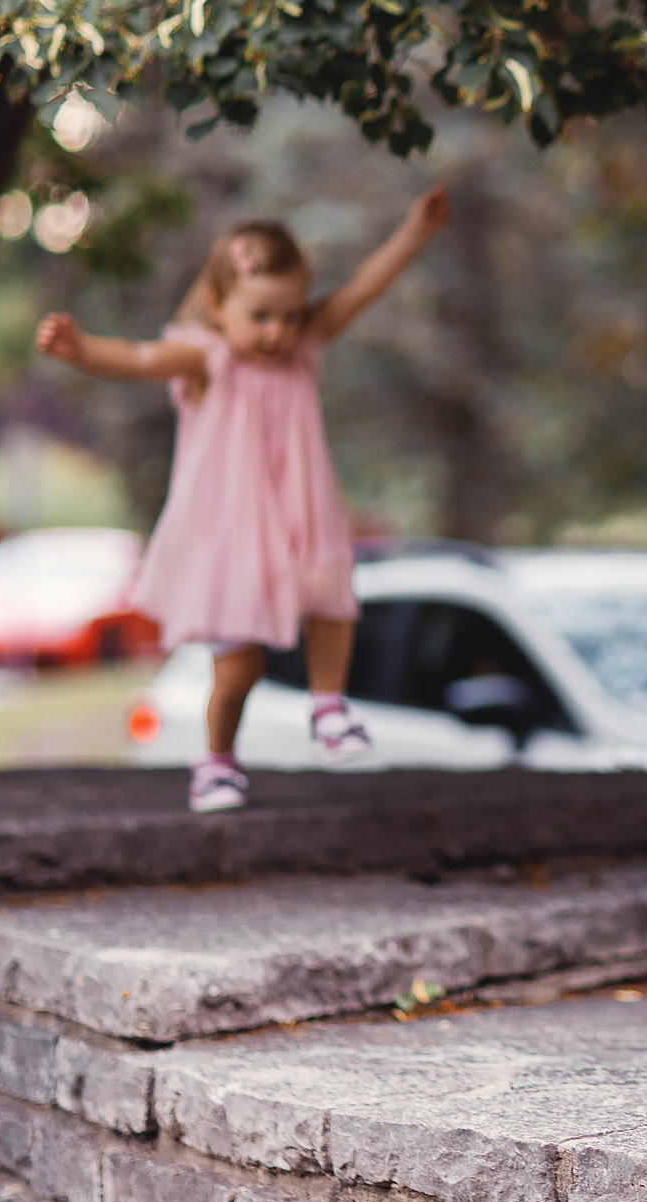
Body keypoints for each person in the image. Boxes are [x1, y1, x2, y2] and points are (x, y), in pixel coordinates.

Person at [36, 187, 452, 811]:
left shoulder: (303, 350)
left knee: (332, 602)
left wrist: (414, 233)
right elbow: (142, 357)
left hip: (302, 519)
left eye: (289, 315)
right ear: (217, 305)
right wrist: (83, 350)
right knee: (240, 670)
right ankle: (217, 762)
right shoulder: (205, 358)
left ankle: (328, 707)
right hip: (233, 537)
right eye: (260, 316)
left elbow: (363, 287)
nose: (278, 332)